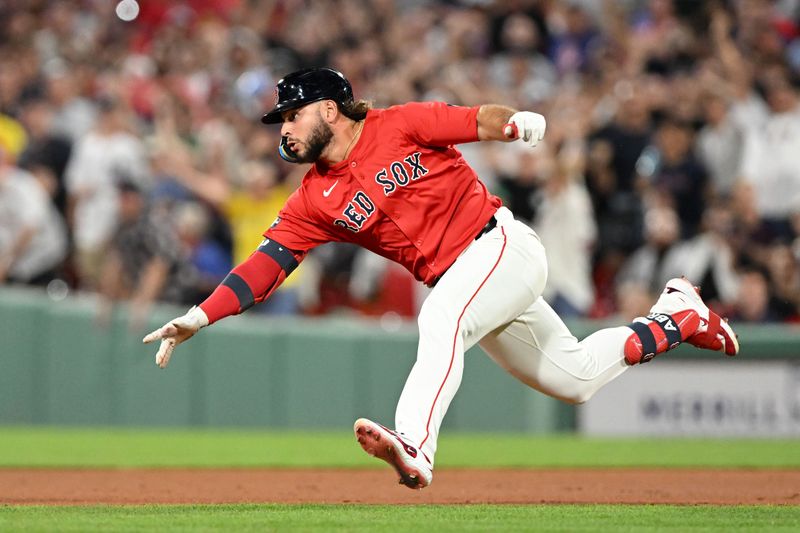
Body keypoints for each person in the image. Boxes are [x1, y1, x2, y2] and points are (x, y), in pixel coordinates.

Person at [144, 67, 739, 490]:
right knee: (575, 378)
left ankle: (416, 446)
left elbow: (477, 118)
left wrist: (518, 125)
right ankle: (676, 317)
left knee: (440, 319)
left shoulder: (399, 123)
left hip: (500, 246)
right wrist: (199, 315)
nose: (283, 129)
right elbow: (263, 269)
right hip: (465, 279)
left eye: (292, 114)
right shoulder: (312, 199)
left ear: (329, 109)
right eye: (280, 119)